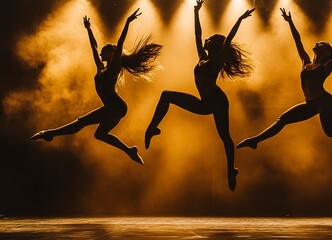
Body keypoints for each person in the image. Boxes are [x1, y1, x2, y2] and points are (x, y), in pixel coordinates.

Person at [236, 8, 332, 165]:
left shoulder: (327, 66)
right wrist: (290, 22)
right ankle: (255, 140)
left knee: (331, 132)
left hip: (325, 102)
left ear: (327, 52)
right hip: (311, 104)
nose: (316, 42)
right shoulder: (306, 62)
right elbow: (298, 41)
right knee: (282, 120)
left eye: (321, 43)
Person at [144, 0, 254, 191]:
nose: (206, 40)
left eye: (210, 39)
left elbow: (228, 40)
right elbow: (197, 34)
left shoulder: (216, 60)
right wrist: (196, 12)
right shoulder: (202, 58)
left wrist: (239, 19)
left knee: (225, 137)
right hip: (204, 103)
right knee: (166, 95)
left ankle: (231, 169)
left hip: (218, 102)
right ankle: (152, 128)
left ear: (215, 45)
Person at [30, 8, 162, 165]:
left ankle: (50, 133)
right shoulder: (101, 68)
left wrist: (127, 22)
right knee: (100, 134)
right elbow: (93, 46)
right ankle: (130, 150)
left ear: (111, 54)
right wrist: (89, 29)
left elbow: (119, 44)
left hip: (116, 106)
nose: (100, 54)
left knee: (81, 122)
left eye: (103, 52)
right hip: (114, 107)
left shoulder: (114, 67)